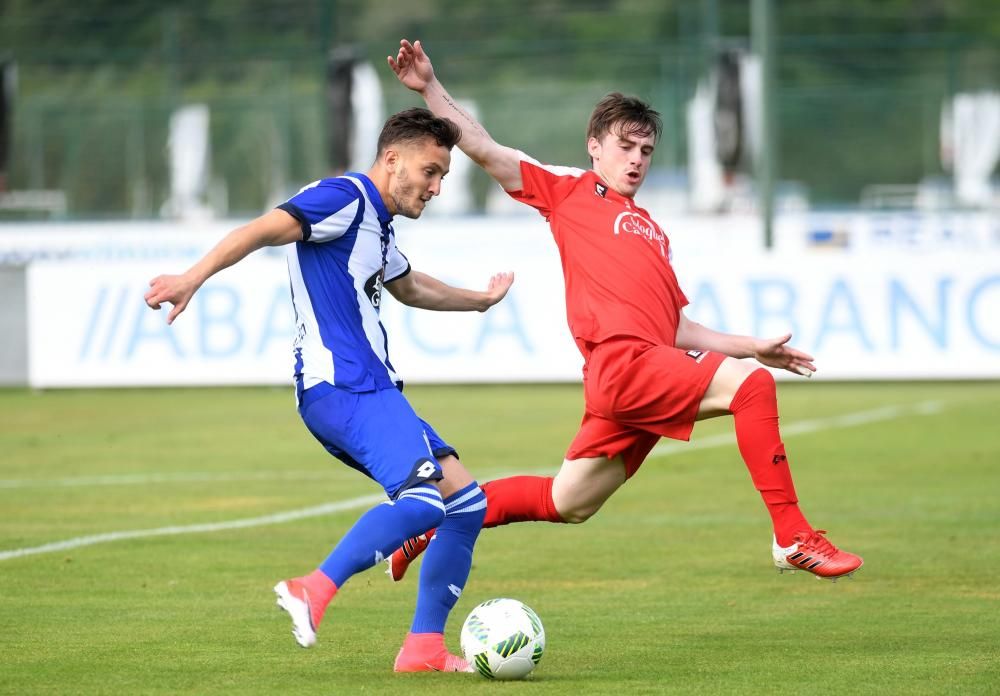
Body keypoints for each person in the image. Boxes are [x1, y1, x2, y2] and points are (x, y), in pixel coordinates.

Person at [383, 39, 863, 584]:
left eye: (646, 150)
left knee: (566, 501)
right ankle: (793, 535)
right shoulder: (568, 191)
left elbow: (677, 327)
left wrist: (752, 346)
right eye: (625, 145)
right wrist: (429, 86)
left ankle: (430, 524)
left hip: (643, 368)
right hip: (622, 364)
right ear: (595, 146)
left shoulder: (654, 231)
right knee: (751, 390)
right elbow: (484, 146)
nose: (636, 158)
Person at [144, 107, 515, 672]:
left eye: (442, 176)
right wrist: (191, 277)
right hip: (346, 385)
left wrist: (479, 300)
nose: (437, 187)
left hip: (367, 389)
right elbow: (261, 230)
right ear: (392, 160)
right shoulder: (343, 196)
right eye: (431, 171)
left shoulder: (379, 221)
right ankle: (311, 588)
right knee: (420, 503)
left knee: (464, 504)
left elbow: (410, 286)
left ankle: (423, 648)